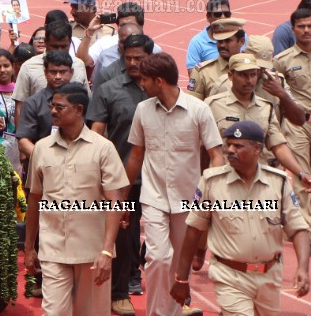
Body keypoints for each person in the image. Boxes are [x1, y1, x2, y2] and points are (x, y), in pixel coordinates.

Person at [170, 121, 310, 315]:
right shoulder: (212, 182)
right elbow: (194, 230)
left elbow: (298, 229)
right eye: (228, 144)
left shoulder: (279, 183)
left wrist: (303, 268)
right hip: (229, 275)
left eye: (238, 145)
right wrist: (181, 279)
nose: (230, 150)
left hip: (270, 277)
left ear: (257, 149)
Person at [124, 53, 224, 316]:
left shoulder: (199, 110)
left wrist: (210, 196)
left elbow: (216, 156)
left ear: (159, 81)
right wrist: (121, 199)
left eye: (144, 79)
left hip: (188, 201)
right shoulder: (143, 110)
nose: (141, 84)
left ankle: (172, 313)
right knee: (157, 258)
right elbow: (136, 155)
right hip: (153, 196)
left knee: (179, 264)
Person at [24, 82, 128, 316]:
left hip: (92, 250)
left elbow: (115, 201)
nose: (52, 111)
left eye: (59, 107)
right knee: (53, 313)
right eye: (52, 106)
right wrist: (30, 247)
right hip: (52, 248)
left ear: (78, 110)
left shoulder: (103, 148)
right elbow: (34, 199)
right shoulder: (41, 148)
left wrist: (106, 252)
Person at [88, 34, 154, 314]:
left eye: (140, 58)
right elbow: (97, 135)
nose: (134, 63)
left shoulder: (160, 89)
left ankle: (171, 293)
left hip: (158, 176)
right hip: (122, 177)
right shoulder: (108, 89)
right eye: (128, 58)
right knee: (123, 236)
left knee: (166, 237)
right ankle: (119, 292)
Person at [272, 7, 311, 257]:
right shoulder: (283, 60)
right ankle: (309, 236)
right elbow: (277, 99)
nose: (307, 30)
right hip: (297, 124)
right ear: (293, 28)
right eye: (301, 26)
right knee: (302, 178)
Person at [204, 54, 311, 186]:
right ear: (230, 75)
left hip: (259, 183)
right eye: (243, 75)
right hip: (225, 183)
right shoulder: (213, 106)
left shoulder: (266, 108)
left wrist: (301, 173)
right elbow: (204, 149)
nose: (249, 80)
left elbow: (278, 145)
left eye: (253, 75)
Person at [185, 0, 232, 69]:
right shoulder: (197, 42)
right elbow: (193, 75)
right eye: (218, 14)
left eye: (227, 14)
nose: (223, 17)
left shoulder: (239, 36)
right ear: (208, 17)